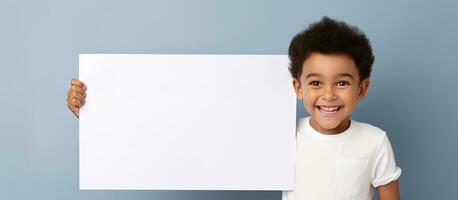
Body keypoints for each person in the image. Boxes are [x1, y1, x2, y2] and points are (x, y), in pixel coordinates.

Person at [67, 16, 401, 200]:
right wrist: (95, 114)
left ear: (362, 88)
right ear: (297, 88)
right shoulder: (283, 133)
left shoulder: (374, 141)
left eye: (341, 83)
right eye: (315, 83)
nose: (328, 95)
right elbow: (178, 130)